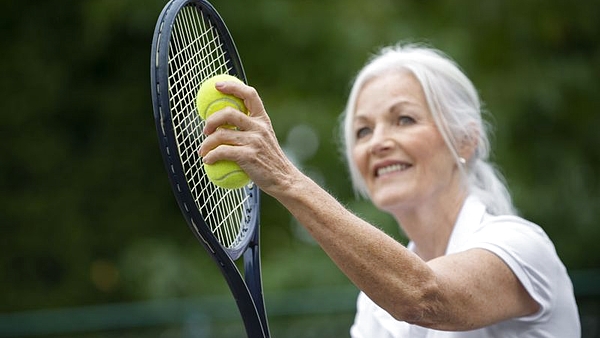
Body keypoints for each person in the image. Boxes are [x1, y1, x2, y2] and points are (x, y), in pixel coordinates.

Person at [199, 43, 581, 337]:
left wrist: (286, 179)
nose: (378, 141)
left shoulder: (521, 246)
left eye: (404, 119)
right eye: (363, 130)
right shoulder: (375, 305)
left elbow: (424, 295)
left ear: (464, 141)